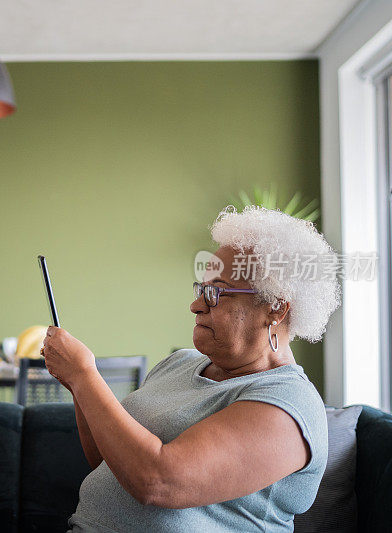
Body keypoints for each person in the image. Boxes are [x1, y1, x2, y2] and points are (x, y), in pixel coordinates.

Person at [41, 206, 339, 533]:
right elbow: (107, 460)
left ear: (275, 308)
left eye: (216, 293)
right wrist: (77, 386)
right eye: (201, 289)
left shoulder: (289, 405)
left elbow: (159, 482)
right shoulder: (178, 363)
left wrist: (85, 375)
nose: (196, 305)